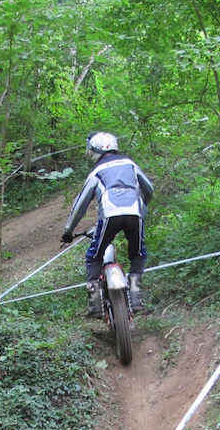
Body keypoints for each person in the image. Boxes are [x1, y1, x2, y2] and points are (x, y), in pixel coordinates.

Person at [60, 132, 154, 318]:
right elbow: (149, 189)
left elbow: (80, 205)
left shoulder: (97, 172)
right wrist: (140, 207)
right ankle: (134, 296)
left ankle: (95, 304)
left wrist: (68, 231)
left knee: (94, 256)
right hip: (135, 214)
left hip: (110, 215)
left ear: (93, 150)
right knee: (138, 253)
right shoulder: (130, 164)